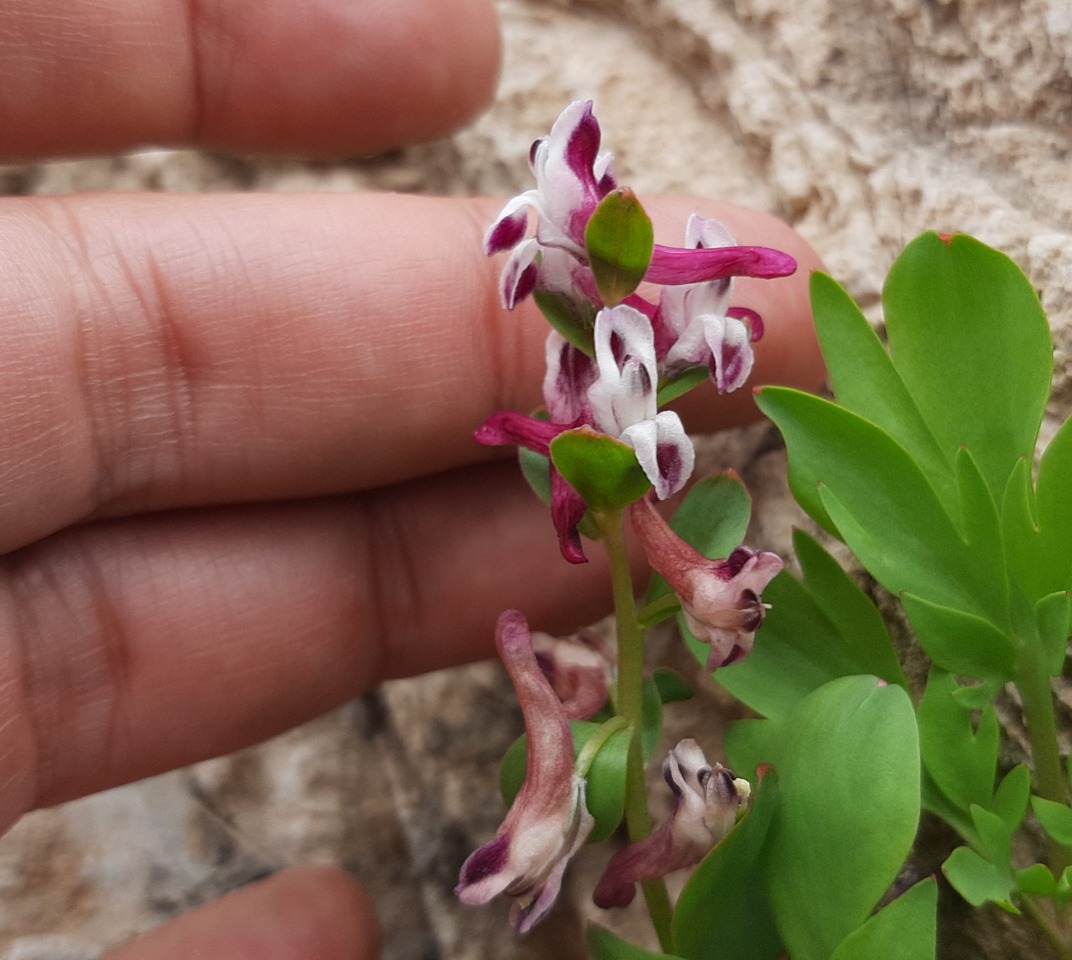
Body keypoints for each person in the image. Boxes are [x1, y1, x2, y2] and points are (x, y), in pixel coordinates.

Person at [0, 1, 824, 956]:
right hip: (615, 456)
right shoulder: (566, 316)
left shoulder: (658, 371)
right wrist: (576, 448)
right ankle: (579, 797)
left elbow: (683, 357)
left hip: (636, 458)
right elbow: (569, 433)